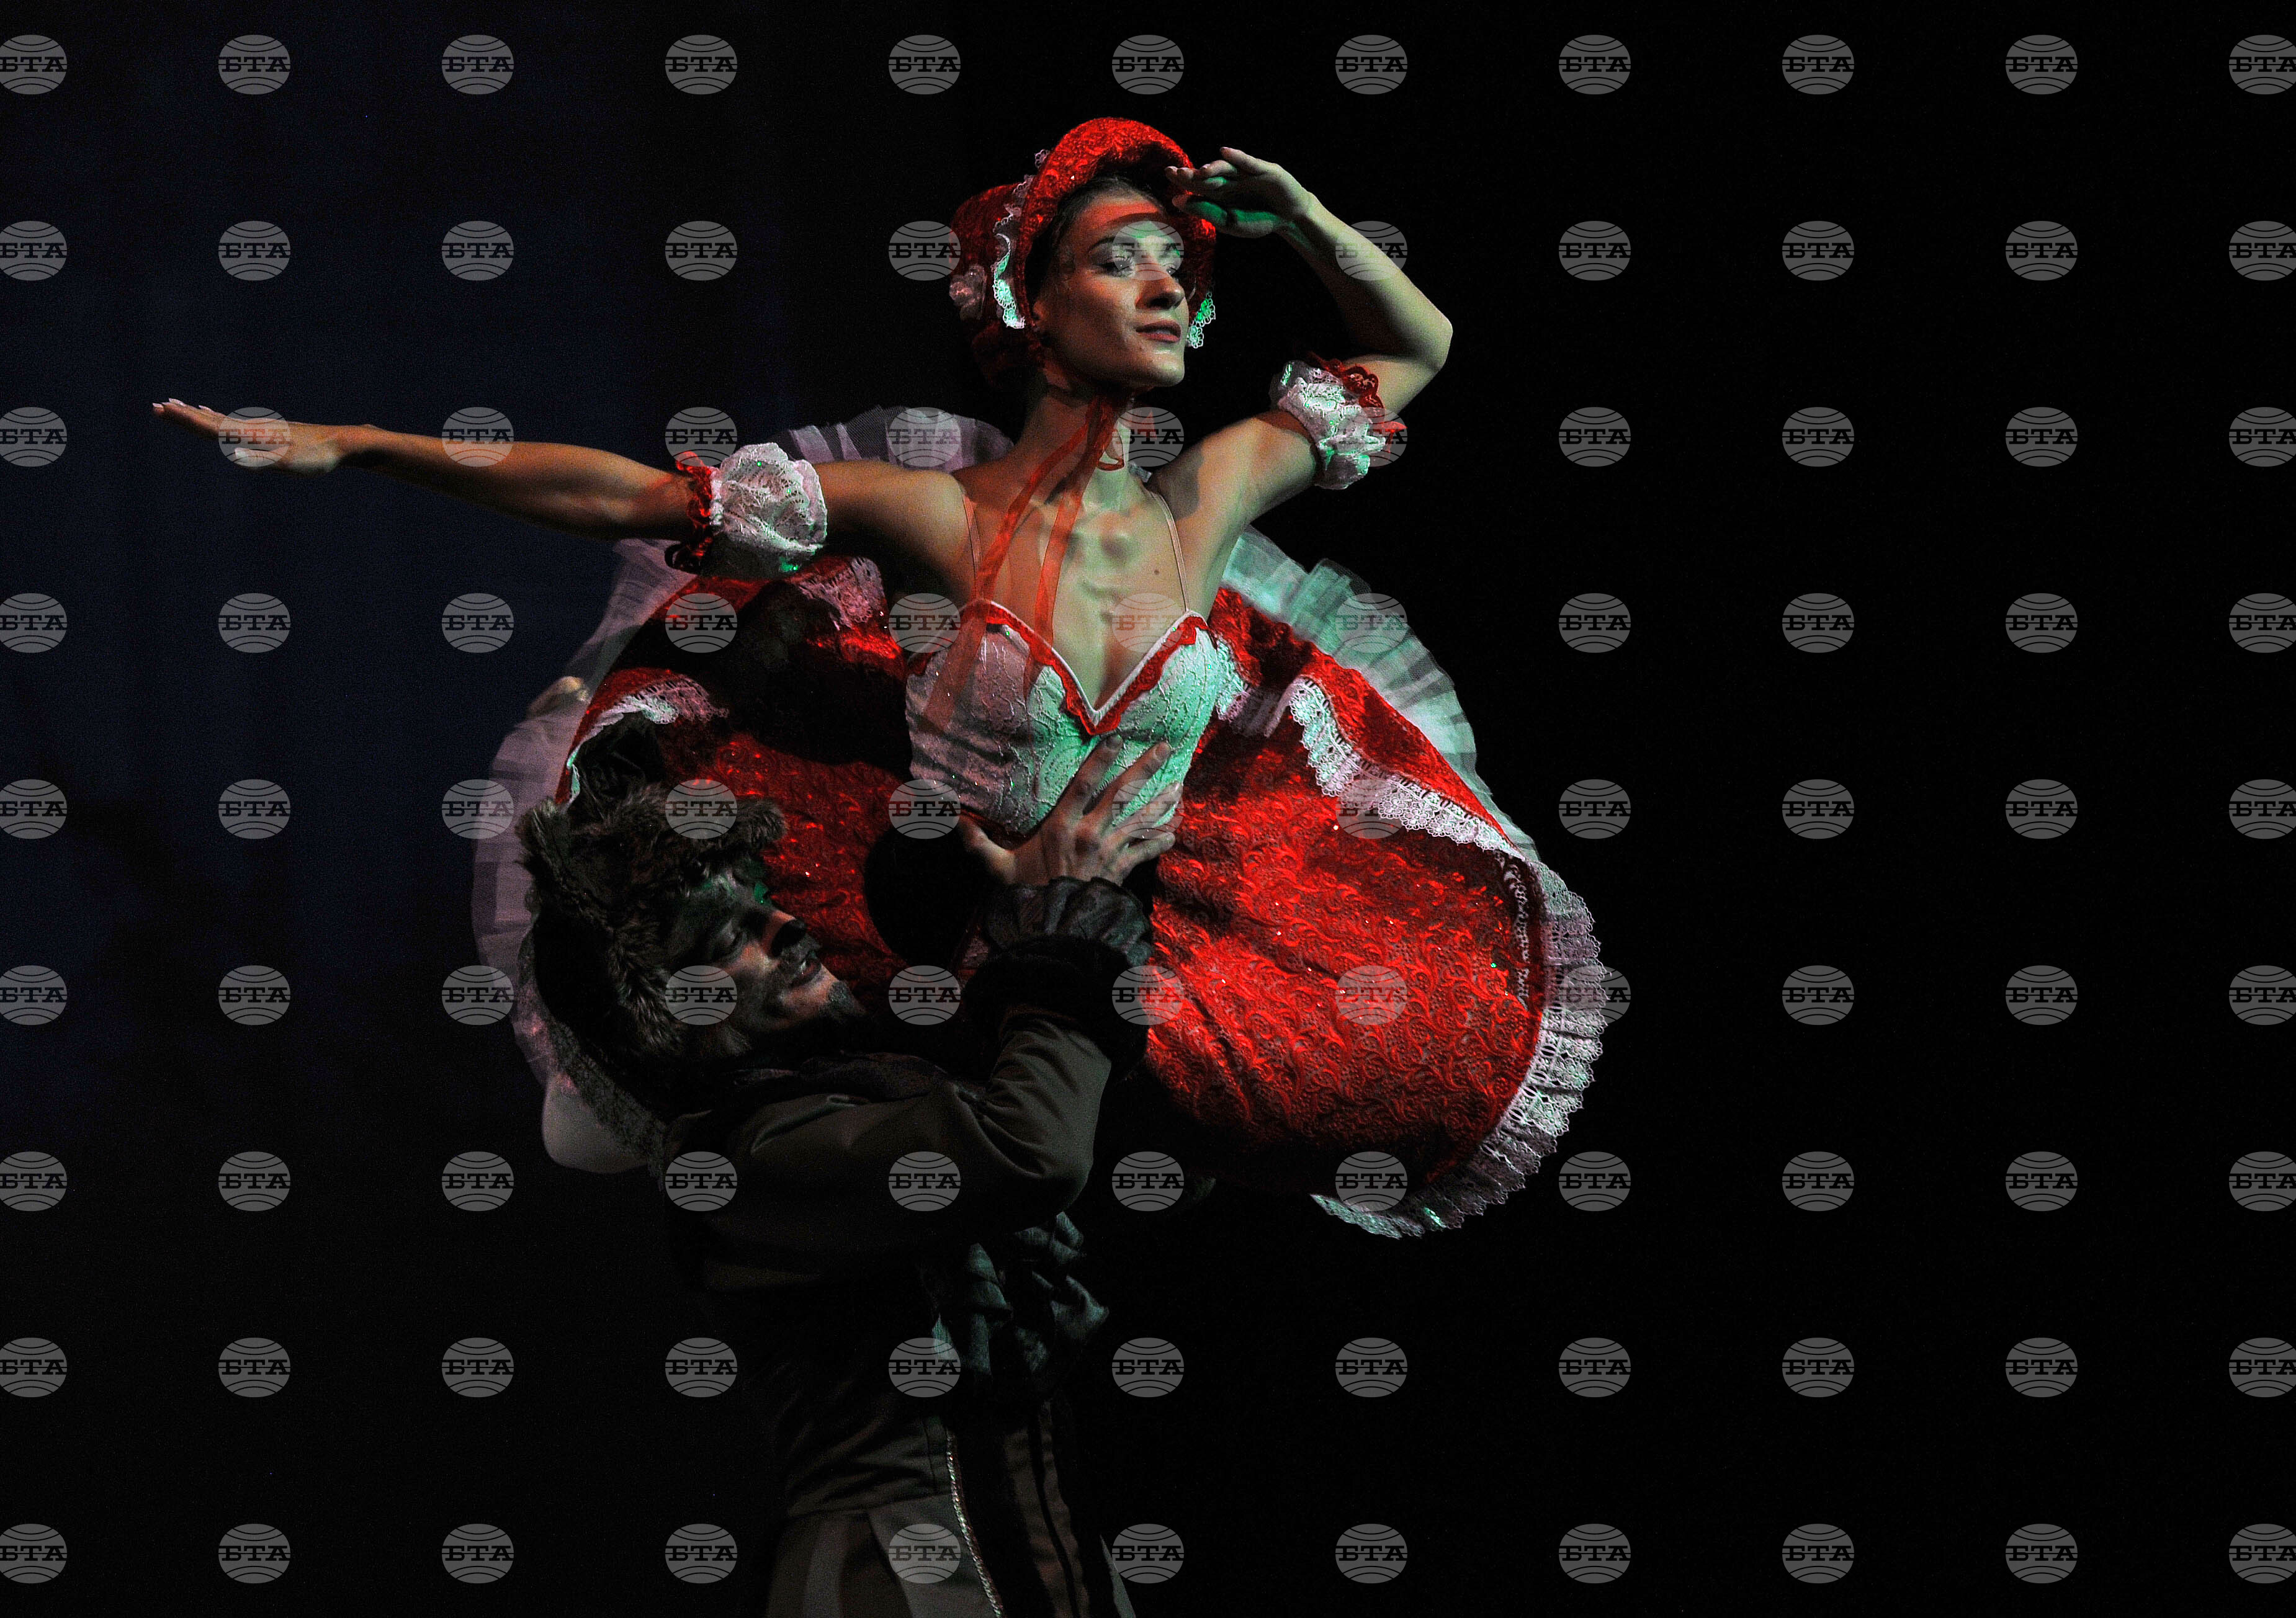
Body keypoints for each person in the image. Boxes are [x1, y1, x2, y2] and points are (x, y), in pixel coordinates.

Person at [153, 115, 1613, 1239]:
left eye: (1180, 262)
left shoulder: (1204, 500)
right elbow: (636, 499)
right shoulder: (937, 517)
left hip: (1129, 940)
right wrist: (362, 446)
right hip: (939, 920)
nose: (1166, 282)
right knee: (665, 1118)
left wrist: (1297, 215)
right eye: (1119, 257)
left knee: (1355, 1074)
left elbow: (1416, 344)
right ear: (1028, 304)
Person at [516, 707, 1188, 1616]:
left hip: (1051, 1568)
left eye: (764, 897)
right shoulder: (742, 1160)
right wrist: (1064, 929)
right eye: (729, 940)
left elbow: (1120, 1157)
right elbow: (1032, 1148)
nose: (786, 926)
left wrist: (1024, 913)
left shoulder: (862, 1095)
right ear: (663, 1021)